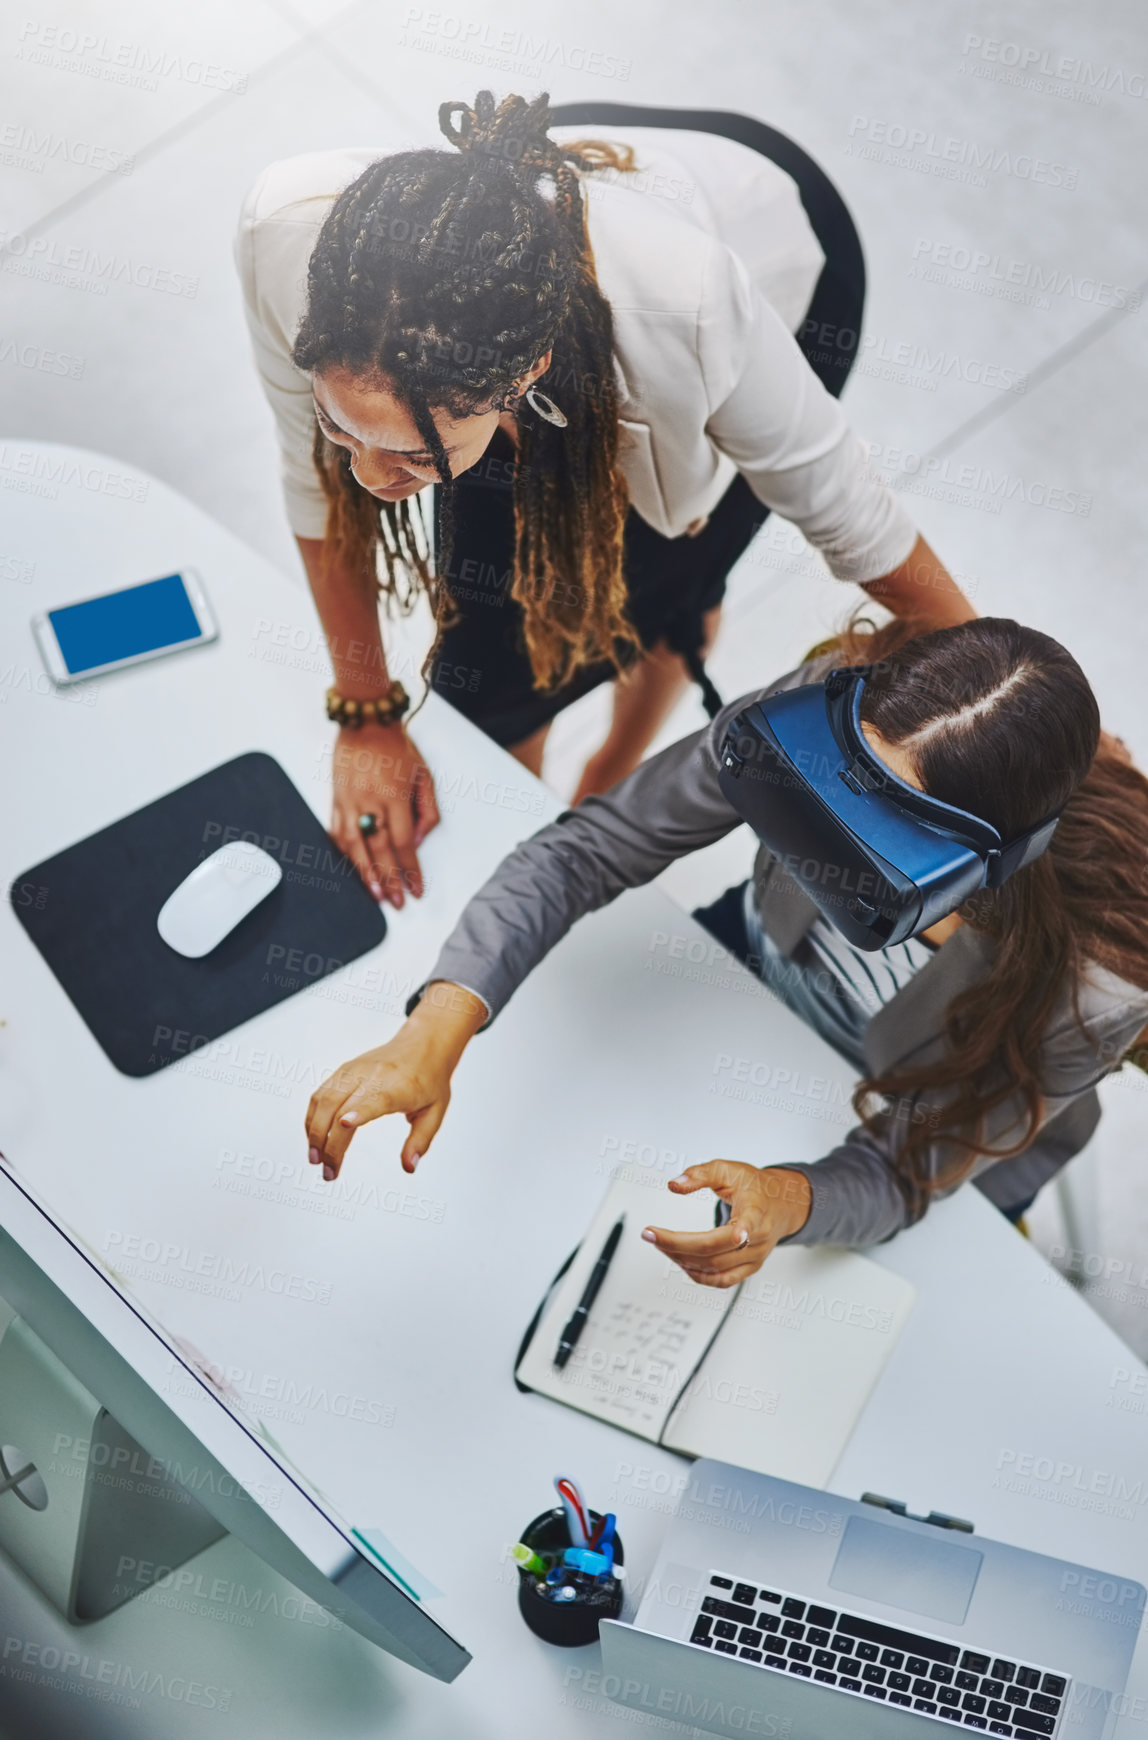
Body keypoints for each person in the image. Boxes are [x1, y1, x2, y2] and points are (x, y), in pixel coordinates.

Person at [235, 90, 974, 908]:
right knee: (485, 681)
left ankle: (602, 783)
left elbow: (858, 520)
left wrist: (1017, 699)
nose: (372, 481)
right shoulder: (293, 243)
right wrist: (366, 714)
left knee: (672, 580)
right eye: (344, 431)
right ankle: (529, 814)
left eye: (409, 455)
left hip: (776, 254)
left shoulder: (689, 305)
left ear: (519, 383)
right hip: (506, 258)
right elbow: (314, 485)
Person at [301, 615, 1148, 1288]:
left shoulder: (1099, 984)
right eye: (846, 782)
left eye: (894, 831)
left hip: (937, 1112)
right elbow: (589, 849)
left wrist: (789, 1200)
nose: (839, 837)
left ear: (999, 857)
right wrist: (434, 1028)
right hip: (748, 968)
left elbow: (903, 1172)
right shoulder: (817, 713)